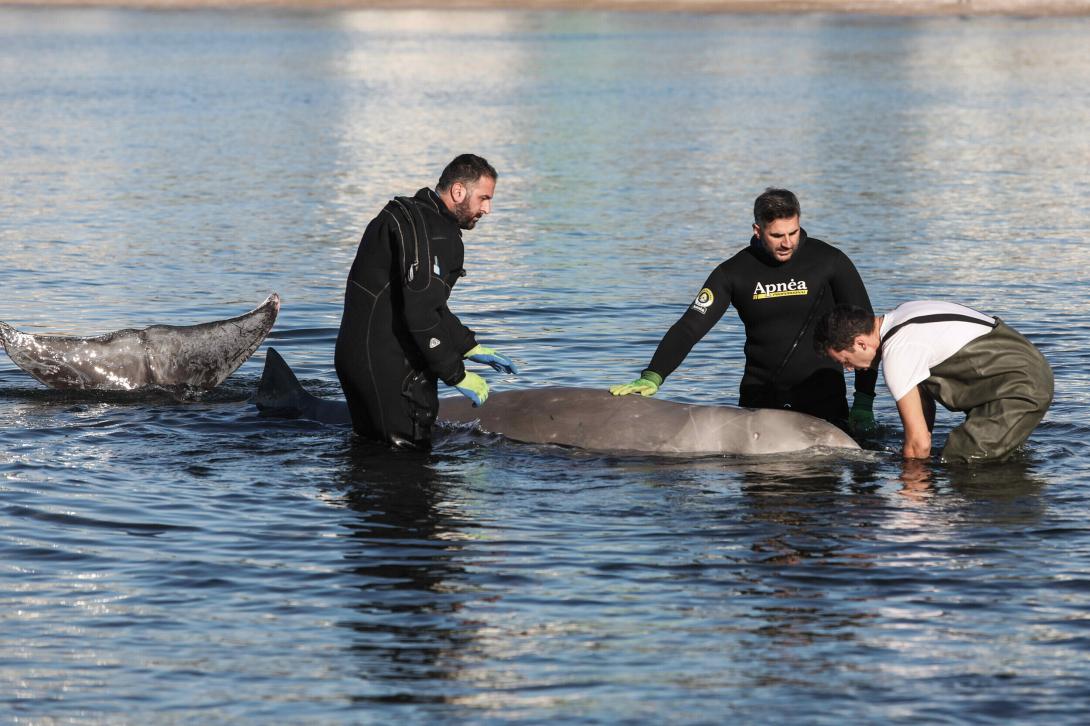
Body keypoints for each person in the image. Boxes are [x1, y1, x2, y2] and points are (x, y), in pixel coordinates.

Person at [610, 188, 877, 433]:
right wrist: (654, 375)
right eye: (777, 235)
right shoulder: (734, 272)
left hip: (823, 398)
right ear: (758, 230)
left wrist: (864, 400)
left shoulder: (830, 261)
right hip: (760, 399)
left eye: (793, 232)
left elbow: (868, 332)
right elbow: (691, 326)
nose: (787, 243)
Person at [335, 154, 518, 449]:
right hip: (389, 368)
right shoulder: (436, 235)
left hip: (359, 358)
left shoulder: (408, 216)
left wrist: (467, 345)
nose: (487, 209)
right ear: (458, 191)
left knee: (369, 453)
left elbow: (424, 302)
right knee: (406, 460)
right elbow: (420, 313)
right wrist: (456, 374)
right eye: (483, 198)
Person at [813, 302, 1053, 463]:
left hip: (1020, 386)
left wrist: (909, 494)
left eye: (845, 360)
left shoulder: (898, 352)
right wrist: (918, 448)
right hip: (1021, 366)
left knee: (962, 459)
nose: (848, 368)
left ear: (860, 343)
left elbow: (919, 444)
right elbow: (922, 409)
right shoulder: (903, 315)